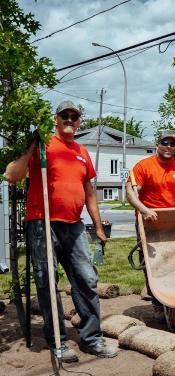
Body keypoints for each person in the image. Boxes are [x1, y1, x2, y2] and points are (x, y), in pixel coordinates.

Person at [4, 100, 118, 361]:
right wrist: (32, 146)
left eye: (74, 116)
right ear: (56, 119)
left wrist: (98, 227)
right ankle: (58, 341)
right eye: (64, 115)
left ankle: (92, 340)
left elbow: (89, 192)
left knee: (87, 279)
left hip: (74, 226)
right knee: (46, 281)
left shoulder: (82, 152)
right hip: (42, 223)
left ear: (79, 122)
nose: (69, 119)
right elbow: (11, 175)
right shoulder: (42, 147)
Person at [126, 129, 175, 321]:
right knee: (151, 263)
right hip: (148, 221)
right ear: (157, 144)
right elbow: (131, 193)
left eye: (172, 143)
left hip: (172, 221)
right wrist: (144, 210)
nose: (168, 146)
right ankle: (158, 303)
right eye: (165, 142)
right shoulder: (143, 167)